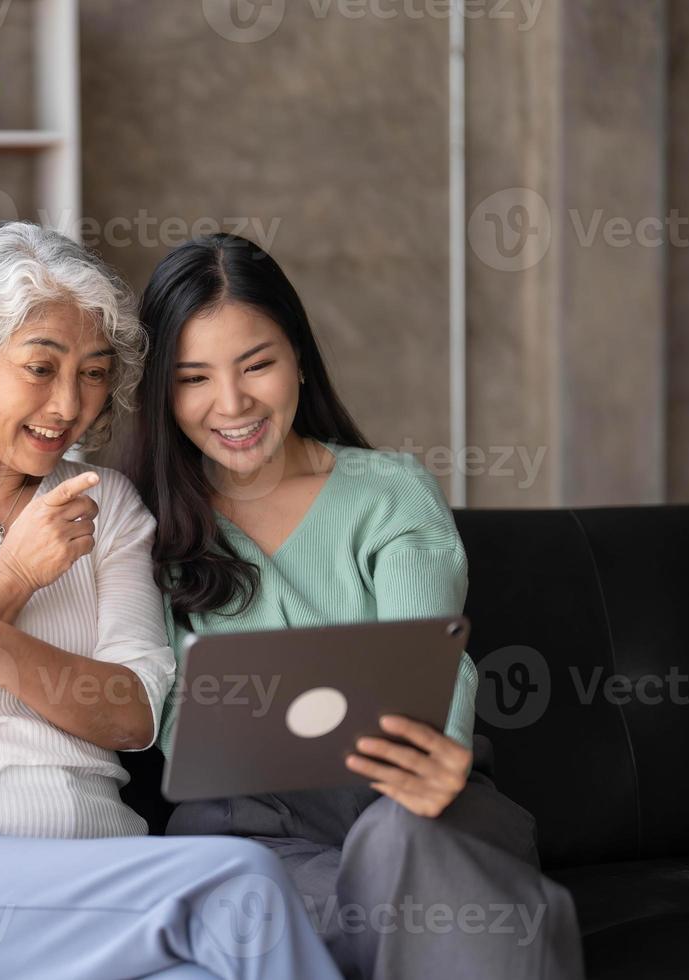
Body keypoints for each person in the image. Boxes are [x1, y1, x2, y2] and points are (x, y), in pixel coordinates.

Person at [0, 222, 340, 979]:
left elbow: (132, 715)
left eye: (92, 373)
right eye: (40, 367)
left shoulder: (103, 504)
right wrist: (14, 576)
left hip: (103, 888)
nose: (69, 404)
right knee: (242, 884)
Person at [126, 233, 584, 979]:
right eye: (193, 378)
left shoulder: (390, 492)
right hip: (253, 831)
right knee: (305, 902)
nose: (232, 403)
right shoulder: (142, 524)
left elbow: (427, 657)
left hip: (414, 792)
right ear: (161, 392)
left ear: (299, 358)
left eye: (257, 365)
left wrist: (437, 756)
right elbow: (161, 713)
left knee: (403, 844)